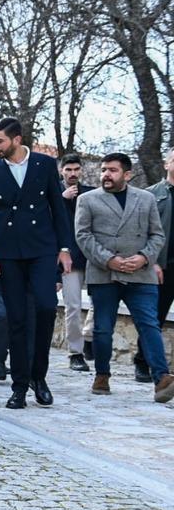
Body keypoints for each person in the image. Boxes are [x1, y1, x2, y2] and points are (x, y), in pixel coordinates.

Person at [0, 117, 73, 410]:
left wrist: (64, 248)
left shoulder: (44, 165)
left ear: (17, 139)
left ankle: (38, 377)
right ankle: (19, 387)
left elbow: (58, 208)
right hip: (7, 253)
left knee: (44, 307)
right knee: (16, 318)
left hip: (42, 249)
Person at [74, 153, 174, 403]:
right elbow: (83, 236)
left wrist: (143, 258)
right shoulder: (87, 200)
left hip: (140, 273)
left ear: (127, 175)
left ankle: (161, 378)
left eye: (113, 170)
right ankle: (102, 374)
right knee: (103, 328)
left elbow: (157, 235)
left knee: (150, 324)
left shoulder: (146, 198)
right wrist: (109, 259)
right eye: (104, 170)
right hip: (104, 272)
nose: (106, 174)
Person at [135, 148, 174, 383]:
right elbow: (143, 233)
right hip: (162, 266)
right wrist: (152, 262)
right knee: (153, 317)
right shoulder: (151, 195)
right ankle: (142, 362)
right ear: (166, 164)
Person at [59, 153, 96, 372]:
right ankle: (75, 352)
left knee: (99, 303)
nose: (73, 174)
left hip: (92, 257)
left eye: (76, 170)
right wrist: (62, 199)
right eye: (68, 170)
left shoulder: (91, 193)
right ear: (62, 171)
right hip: (68, 259)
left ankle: (89, 336)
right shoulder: (54, 194)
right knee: (72, 306)